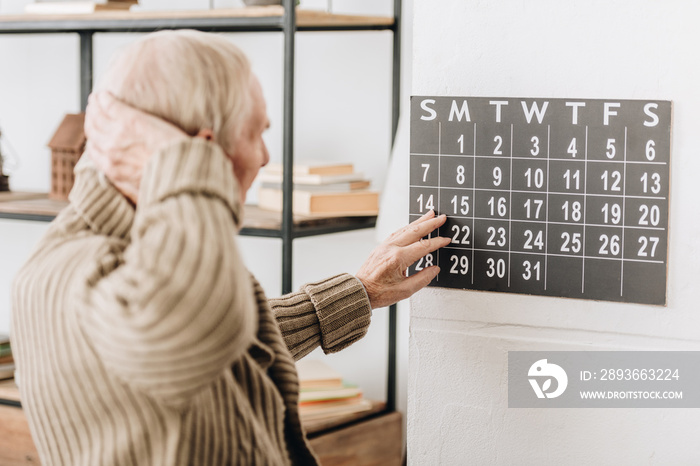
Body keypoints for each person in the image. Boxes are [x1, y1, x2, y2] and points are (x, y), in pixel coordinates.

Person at [11, 30, 449, 466]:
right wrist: (184, 160)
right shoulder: (63, 272)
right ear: (195, 150)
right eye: (255, 133)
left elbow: (226, 343)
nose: (263, 156)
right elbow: (189, 335)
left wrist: (360, 291)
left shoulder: (150, 250)